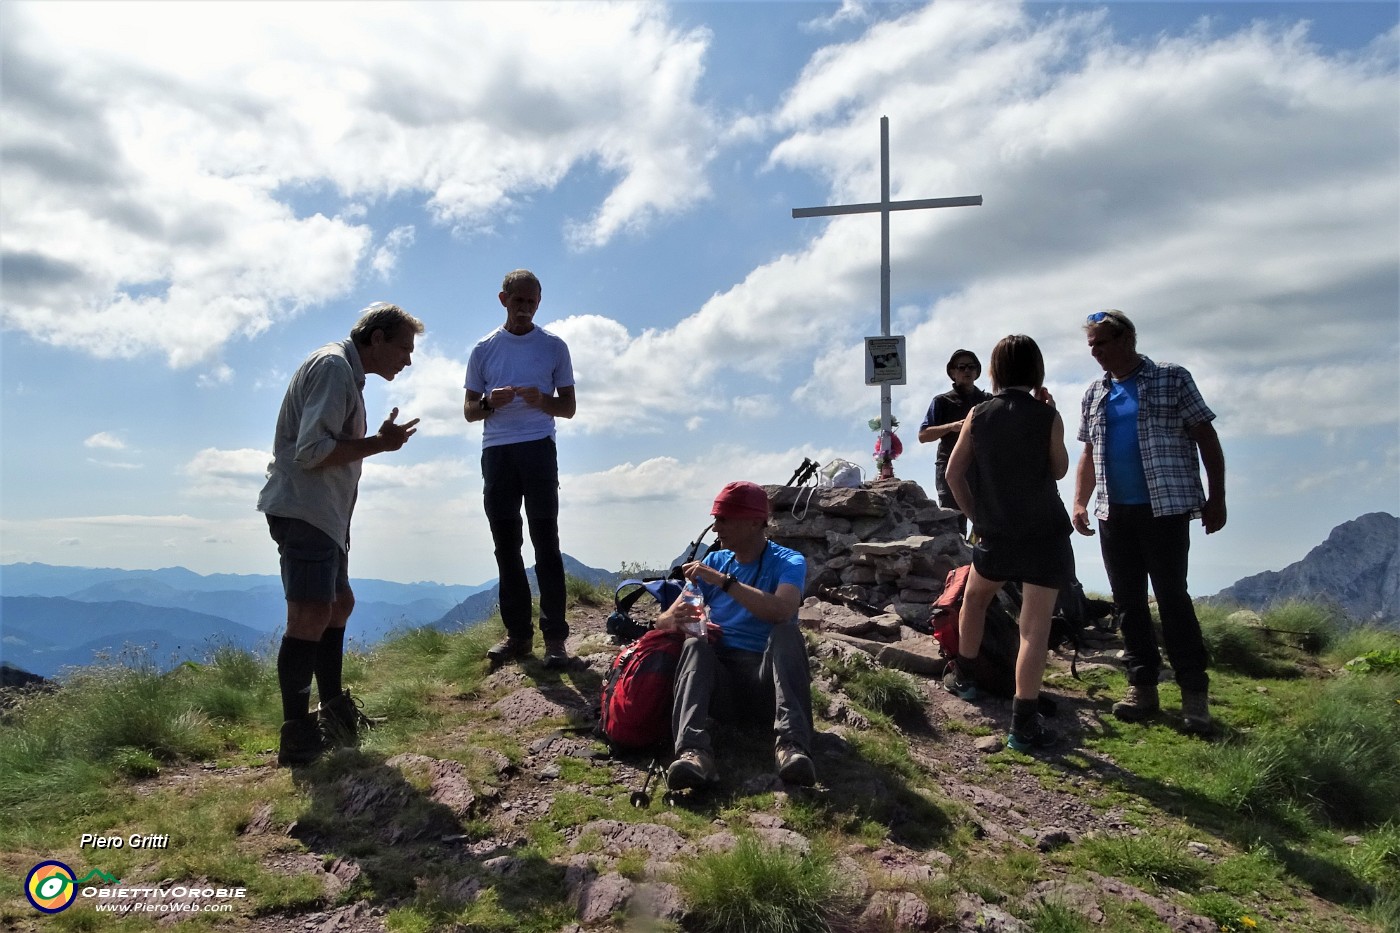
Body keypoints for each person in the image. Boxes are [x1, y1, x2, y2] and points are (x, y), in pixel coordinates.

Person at [257, 302, 423, 766]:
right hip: (305, 509)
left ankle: (333, 711)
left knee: (337, 604)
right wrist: (380, 444)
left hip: (325, 515)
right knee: (309, 613)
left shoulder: (347, 373)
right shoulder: (333, 368)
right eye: (404, 348)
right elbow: (312, 451)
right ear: (377, 338)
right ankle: (297, 735)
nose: (407, 360)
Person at [1072, 309, 1226, 734]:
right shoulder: (1094, 393)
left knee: (1173, 598)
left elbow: (1206, 436)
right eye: (1091, 346)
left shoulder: (1171, 378)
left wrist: (1217, 498)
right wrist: (1081, 502)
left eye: (1102, 343)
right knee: (1127, 602)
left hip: (1166, 508)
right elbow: (1088, 452)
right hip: (1114, 512)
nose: (1096, 352)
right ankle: (1142, 685)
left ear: (1127, 339)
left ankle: (1194, 692)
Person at [943, 335, 1072, 752]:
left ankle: (964, 678)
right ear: (1037, 370)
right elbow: (1059, 469)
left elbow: (953, 474)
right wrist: (1051, 416)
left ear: (994, 372)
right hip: (1045, 534)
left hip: (996, 532)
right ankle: (1023, 724)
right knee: (1034, 629)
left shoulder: (978, 415)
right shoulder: (1047, 416)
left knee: (975, 600)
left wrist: (978, 516)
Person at [655, 481, 817, 789]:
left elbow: (783, 609)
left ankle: (792, 747)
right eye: (716, 519)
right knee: (694, 644)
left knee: (786, 633)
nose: (716, 528)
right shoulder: (714, 562)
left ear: (756, 521)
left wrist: (724, 582)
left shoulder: (788, 561)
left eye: (724, 519)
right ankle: (693, 753)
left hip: (767, 681)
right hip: (723, 685)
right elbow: (662, 621)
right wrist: (672, 619)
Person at [464, 269, 577, 670]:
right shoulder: (483, 350)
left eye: (532, 302)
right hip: (497, 452)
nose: (525, 309)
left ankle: (555, 639)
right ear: (503, 299)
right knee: (506, 546)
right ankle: (518, 635)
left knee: (546, 542)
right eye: (519, 301)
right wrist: (490, 403)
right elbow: (468, 412)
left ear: (538, 303)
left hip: (538, 449)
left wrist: (543, 400)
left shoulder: (553, 347)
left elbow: (568, 407)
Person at [919, 349, 991, 534]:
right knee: (953, 526)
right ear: (952, 372)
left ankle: (979, 562)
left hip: (980, 470)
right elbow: (923, 435)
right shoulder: (942, 401)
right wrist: (951, 427)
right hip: (950, 469)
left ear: (977, 371)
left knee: (985, 525)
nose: (967, 371)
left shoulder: (986, 401)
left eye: (971, 367)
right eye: (961, 367)